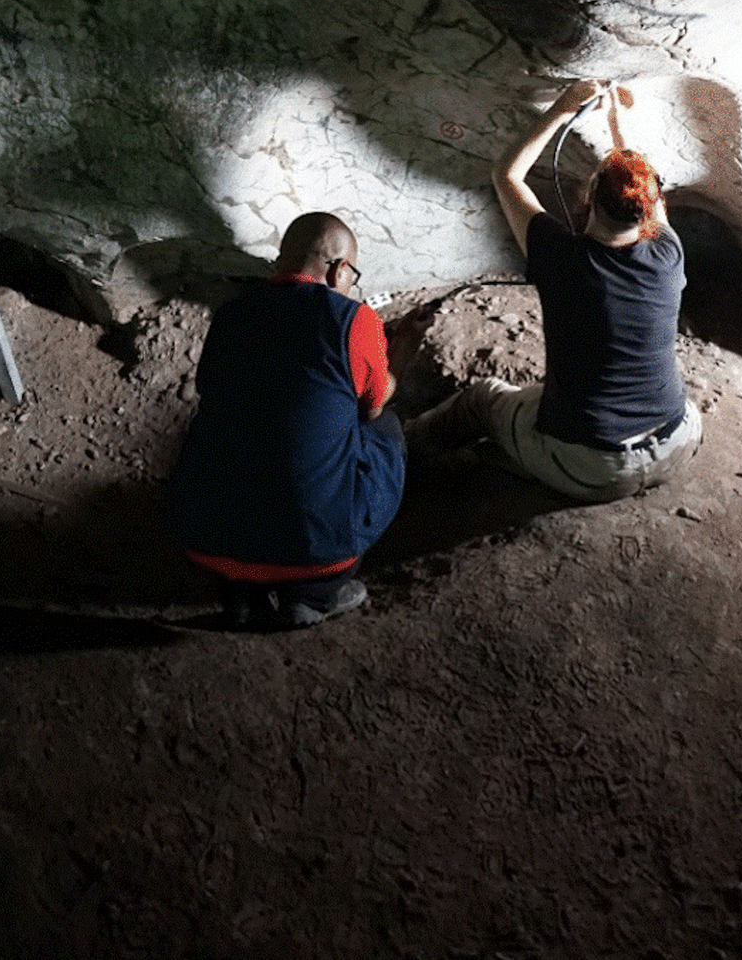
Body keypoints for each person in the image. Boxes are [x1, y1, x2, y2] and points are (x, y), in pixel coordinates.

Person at [405, 80, 702, 499]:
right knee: (547, 397)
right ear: (649, 210)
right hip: (677, 440)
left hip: (598, 466)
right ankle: (525, 457)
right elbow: (644, 190)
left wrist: (564, 106)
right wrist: (618, 124)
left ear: (590, 194)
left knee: (484, 399)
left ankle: (394, 450)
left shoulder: (562, 258)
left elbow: (506, 174)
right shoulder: (669, 251)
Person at [166, 211, 430, 629]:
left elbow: (214, 389)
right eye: (352, 276)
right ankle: (313, 595)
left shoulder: (231, 314)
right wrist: (401, 348)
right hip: (316, 549)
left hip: (205, 535)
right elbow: (374, 406)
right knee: (385, 430)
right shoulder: (353, 319)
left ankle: (239, 596)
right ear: (340, 270)